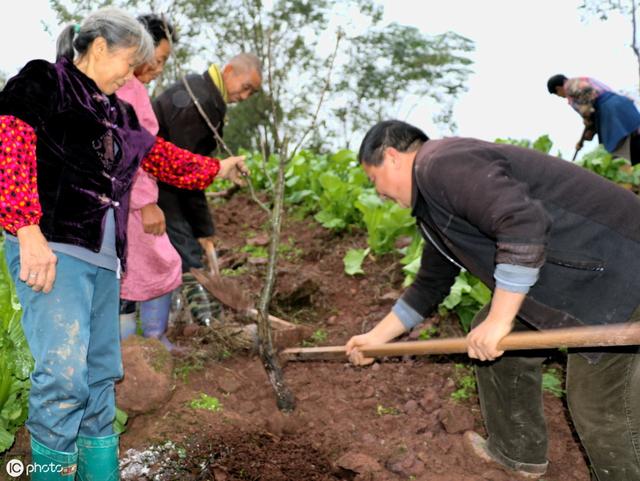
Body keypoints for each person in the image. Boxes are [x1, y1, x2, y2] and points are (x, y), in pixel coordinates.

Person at [0, 8, 246, 480]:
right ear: (97, 48)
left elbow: (160, 157)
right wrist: (26, 230)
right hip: (54, 249)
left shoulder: (117, 109)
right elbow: (9, 137)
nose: (132, 75)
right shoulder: (45, 81)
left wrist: (218, 167)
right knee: (64, 376)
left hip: (104, 259)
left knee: (99, 378)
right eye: (128, 63)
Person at [346, 120, 640, 480]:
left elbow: (523, 223)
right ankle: (517, 452)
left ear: (391, 157)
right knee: (497, 342)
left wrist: (500, 320)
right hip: (573, 280)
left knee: (599, 404)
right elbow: (431, 284)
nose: (378, 193)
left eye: (373, 179)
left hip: (621, 272)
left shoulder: (441, 163)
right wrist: (376, 338)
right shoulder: (433, 208)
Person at [153, 53, 262, 326]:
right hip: (157, 186)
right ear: (229, 71)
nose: (246, 96)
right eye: (246, 87)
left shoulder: (203, 95)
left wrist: (204, 229)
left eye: (253, 92)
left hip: (166, 185)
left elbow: (193, 173)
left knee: (184, 249)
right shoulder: (197, 102)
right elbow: (184, 172)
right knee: (188, 253)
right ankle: (209, 327)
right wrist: (202, 229)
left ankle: (183, 320)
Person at [116, 14, 183, 352]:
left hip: (118, 201)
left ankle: (134, 349)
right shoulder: (130, 90)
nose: (159, 69)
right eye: (159, 59)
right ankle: (147, 345)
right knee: (159, 263)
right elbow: (136, 151)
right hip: (131, 202)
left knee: (124, 273)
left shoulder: (124, 85)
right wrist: (147, 202)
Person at [547, 74, 640, 163]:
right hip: (621, 105)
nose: (561, 96)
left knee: (618, 151)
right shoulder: (584, 79)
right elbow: (592, 113)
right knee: (634, 141)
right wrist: (587, 135)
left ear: (558, 89)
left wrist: (585, 114)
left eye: (558, 94)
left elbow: (588, 92)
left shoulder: (570, 85)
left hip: (609, 111)